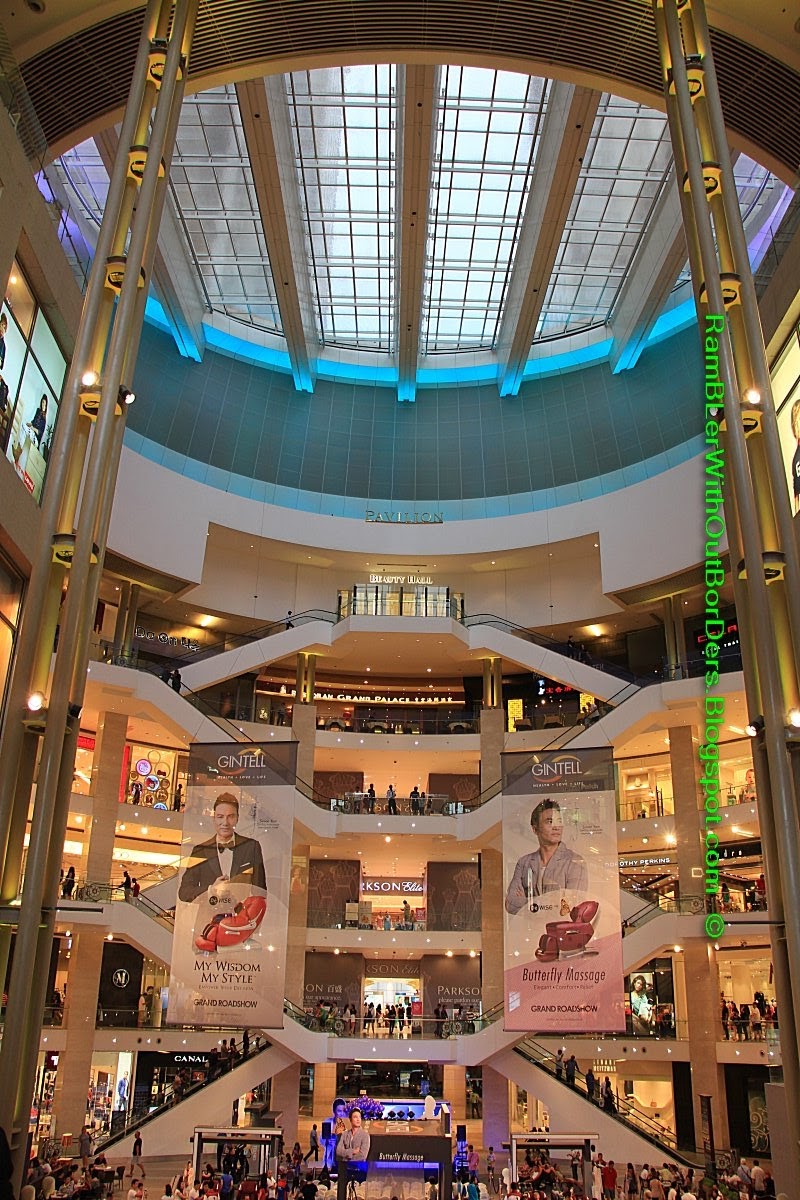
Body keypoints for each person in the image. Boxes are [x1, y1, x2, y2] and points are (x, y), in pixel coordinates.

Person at [178, 792, 267, 901]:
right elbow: (184, 893)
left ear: (237, 818)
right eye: (220, 817)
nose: (225, 822)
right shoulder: (200, 850)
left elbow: (260, 892)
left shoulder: (251, 847)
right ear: (214, 818)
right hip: (207, 916)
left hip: (240, 915)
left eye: (231, 817)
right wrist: (211, 890)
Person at [505, 799, 588, 912]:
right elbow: (511, 904)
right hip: (530, 929)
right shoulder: (524, 863)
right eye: (549, 821)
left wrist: (529, 903)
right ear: (535, 829)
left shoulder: (575, 861)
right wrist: (552, 902)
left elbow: (573, 905)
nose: (556, 827)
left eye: (559, 821)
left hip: (559, 928)